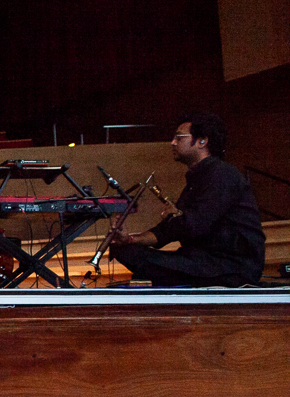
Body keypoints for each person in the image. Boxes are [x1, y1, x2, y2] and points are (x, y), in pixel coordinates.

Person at [110, 113, 265, 287]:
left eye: (179, 137)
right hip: (202, 261)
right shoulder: (199, 178)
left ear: (202, 141)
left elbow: (195, 224)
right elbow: (166, 232)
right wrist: (129, 240)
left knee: (142, 261)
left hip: (229, 265)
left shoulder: (222, 175)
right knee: (124, 250)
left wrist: (175, 215)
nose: (173, 142)